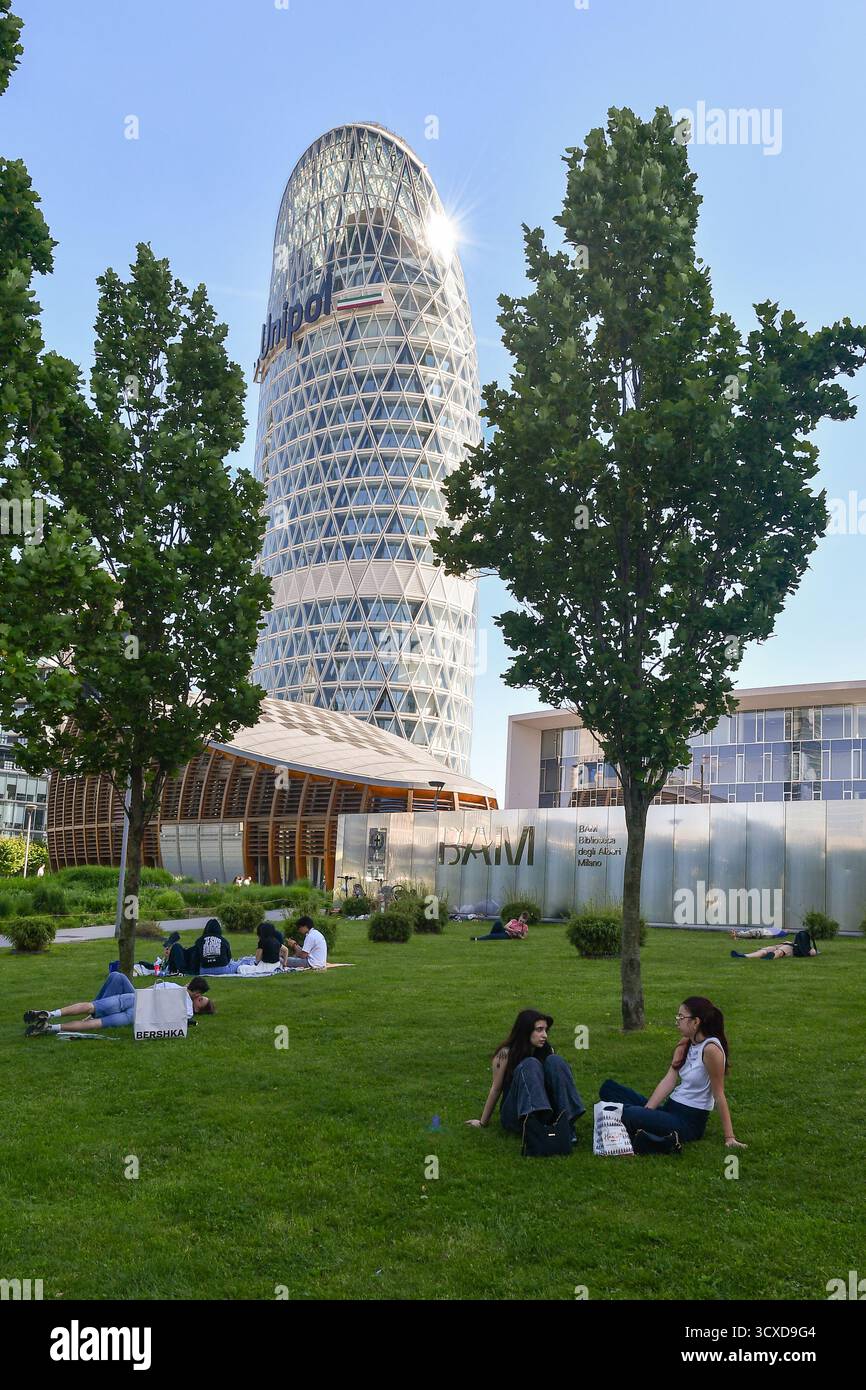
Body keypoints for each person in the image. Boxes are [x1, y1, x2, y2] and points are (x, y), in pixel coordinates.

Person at [599, 996, 745, 1147]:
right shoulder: (686, 1043)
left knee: (625, 1113)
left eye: (681, 1017)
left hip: (688, 1122)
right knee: (609, 1088)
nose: (677, 1021)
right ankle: (640, 1126)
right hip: (670, 1110)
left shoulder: (711, 1050)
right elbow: (669, 1080)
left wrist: (729, 1137)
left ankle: (643, 1130)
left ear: (696, 1022)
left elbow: (719, 1094)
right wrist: (648, 1112)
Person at [466, 1009, 585, 1138]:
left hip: (548, 1113)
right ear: (526, 1031)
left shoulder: (547, 1050)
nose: (544, 1035)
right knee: (530, 1064)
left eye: (545, 1030)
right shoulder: (505, 1054)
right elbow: (496, 1089)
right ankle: (537, 1127)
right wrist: (483, 1122)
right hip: (516, 1114)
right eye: (539, 1030)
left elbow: (557, 1083)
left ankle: (565, 1124)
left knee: (556, 1061)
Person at [23, 973, 214, 1035]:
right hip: (139, 1014)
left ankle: (51, 1013)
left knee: (92, 1006)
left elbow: (147, 989)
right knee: (95, 1023)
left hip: (135, 999)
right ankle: (50, 1028)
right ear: (197, 993)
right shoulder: (187, 1013)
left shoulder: (172, 984)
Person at [162, 918, 232, 974]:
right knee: (236, 964)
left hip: (204, 970)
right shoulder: (223, 940)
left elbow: (196, 956)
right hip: (223, 969)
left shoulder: (200, 940)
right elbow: (229, 958)